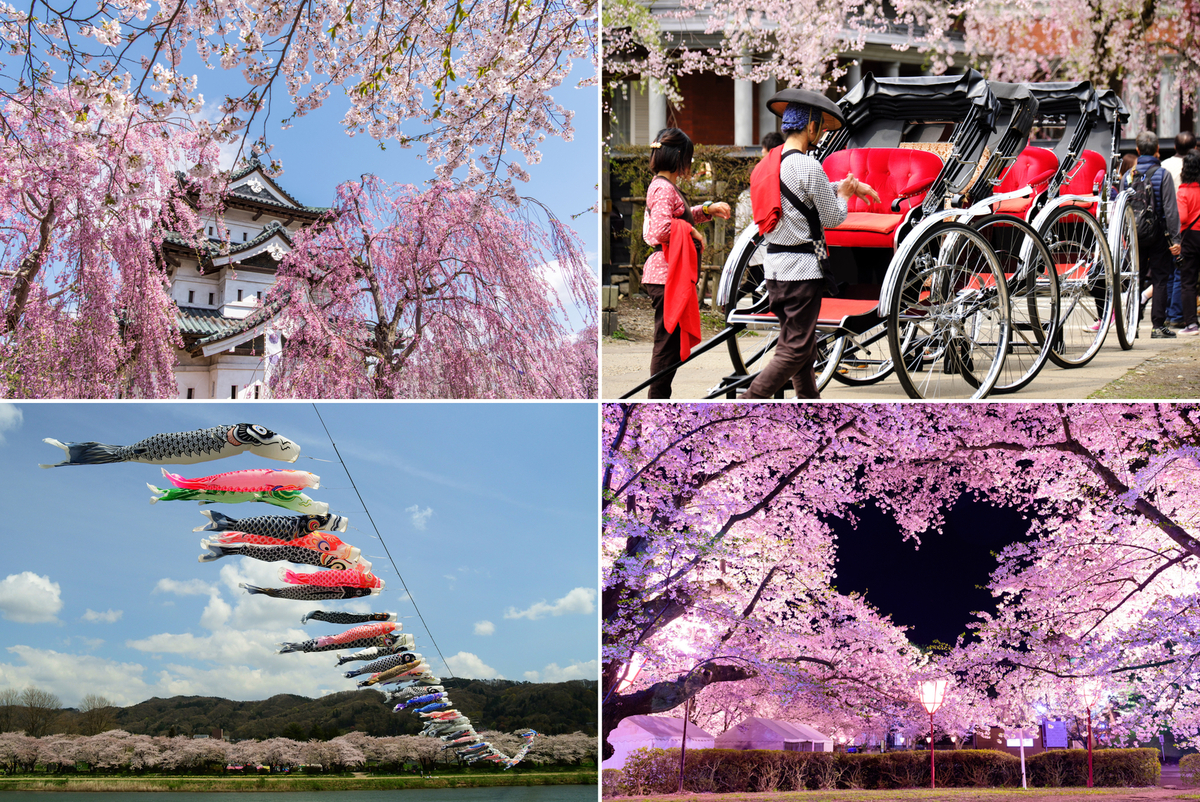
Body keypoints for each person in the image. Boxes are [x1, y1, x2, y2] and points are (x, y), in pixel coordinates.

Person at [741, 89, 879, 400]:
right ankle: (751, 400)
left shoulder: (769, 165)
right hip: (801, 273)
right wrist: (845, 195)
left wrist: (846, 186)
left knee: (800, 344)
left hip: (774, 271)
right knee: (796, 348)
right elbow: (832, 217)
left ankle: (809, 405)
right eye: (821, 128)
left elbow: (802, 193)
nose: (822, 134)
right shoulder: (808, 165)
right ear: (812, 127)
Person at [641, 127, 731, 398]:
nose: (689, 164)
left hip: (668, 274)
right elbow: (661, 229)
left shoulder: (663, 186)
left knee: (668, 344)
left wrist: (705, 210)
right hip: (666, 275)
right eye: (689, 158)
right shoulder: (663, 188)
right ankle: (657, 401)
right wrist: (691, 230)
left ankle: (659, 397)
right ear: (679, 157)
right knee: (666, 346)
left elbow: (676, 217)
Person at [1123, 131, 1181, 339]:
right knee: (1160, 279)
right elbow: (1170, 209)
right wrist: (1175, 239)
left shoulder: (1128, 176)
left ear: (1138, 150)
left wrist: (1124, 236)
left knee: (1135, 277)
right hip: (1158, 234)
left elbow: (1122, 208)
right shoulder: (1162, 174)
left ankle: (1133, 325)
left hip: (1134, 234)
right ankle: (1157, 326)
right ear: (1157, 150)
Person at [1162, 131, 1195, 327]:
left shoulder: (1164, 165)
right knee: (1180, 271)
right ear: (1194, 148)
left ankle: (1168, 312)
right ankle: (1175, 314)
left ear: (1175, 147)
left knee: (1167, 270)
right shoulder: (1194, 166)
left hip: (1166, 220)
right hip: (1187, 224)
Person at [1176, 150, 1200, 335]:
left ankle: (1191, 324)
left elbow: (1183, 217)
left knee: (1188, 282)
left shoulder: (1183, 191)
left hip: (1190, 237)